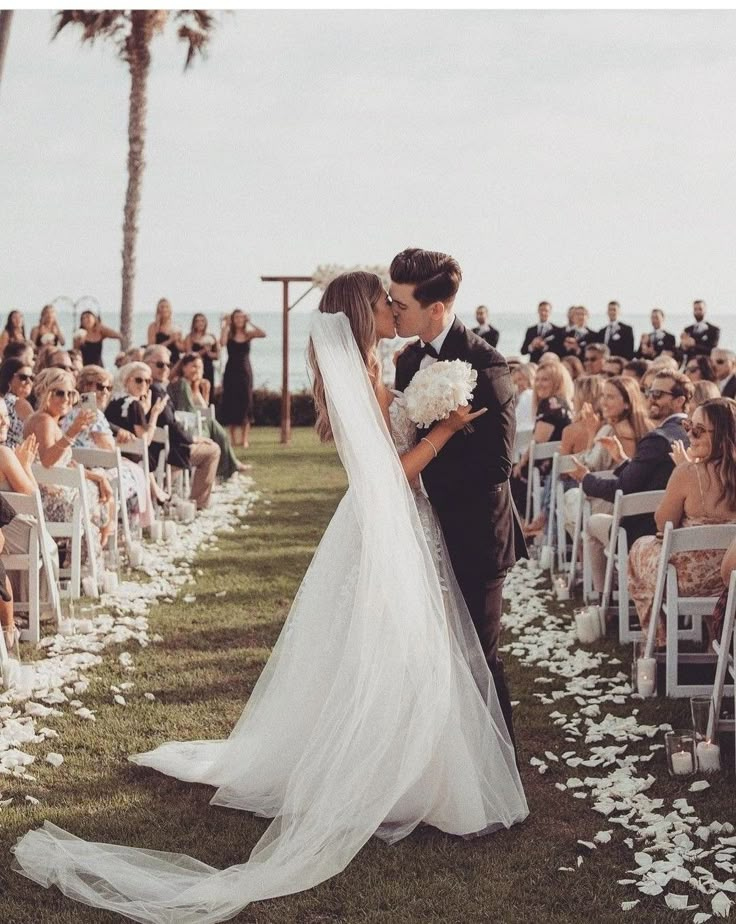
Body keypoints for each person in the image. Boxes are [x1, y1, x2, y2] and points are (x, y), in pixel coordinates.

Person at [14, 270, 528, 921]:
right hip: (385, 520)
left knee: (399, 651)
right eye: (384, 303)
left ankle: (410, 772)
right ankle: (388, 779)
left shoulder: (375, 366)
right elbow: (390, 474)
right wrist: (445, 431)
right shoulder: (364, 377)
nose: (394, 310)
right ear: (364, 314)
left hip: (396, 525)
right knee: (390, 650)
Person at [392, 249, 527, 742]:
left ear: (435, 309)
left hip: (476, 532)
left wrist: (419, 481)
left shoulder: (487, 365)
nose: (393, 308)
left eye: (400, 302)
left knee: (478, 654)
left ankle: (501, 773)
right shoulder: (407, 360)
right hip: (419, 529)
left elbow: (496, 465)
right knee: (429, 651)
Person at [573, 370, 692, 595]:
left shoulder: (658, 438)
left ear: (679, 401)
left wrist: (585, 479)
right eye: (649, 392)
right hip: (679, 530)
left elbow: (622, 489)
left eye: (658, 393)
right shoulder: (694, 434)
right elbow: (648, 476)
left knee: (591, 524)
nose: (651, 398)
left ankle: (602, 596)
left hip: (643, 530)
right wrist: (622, 459)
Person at [629, 398, 736, 645]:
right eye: (688, 426)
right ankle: (716, 640)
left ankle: (658, 639)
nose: (690, 435)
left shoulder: (687, 473)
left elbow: (662, 523)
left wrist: (685, 469)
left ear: (720, 435)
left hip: (687, 582)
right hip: (730, 580)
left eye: (698, 430)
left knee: (637, 550)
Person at [23, 368, 113, 568]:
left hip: (55, 496)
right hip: (46, 503)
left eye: (70, 393)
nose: (66, 399)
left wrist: (98, 478)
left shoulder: (51, 420)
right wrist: (72, 431)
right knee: (99, 504)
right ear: (45, 393)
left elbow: (66, 461)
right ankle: (83, 569)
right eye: (59, 393)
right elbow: (47, 461)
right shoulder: (43, 421)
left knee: (100, 493)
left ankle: (79, 567)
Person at [564, 376, 654, 566]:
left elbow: (586, 467)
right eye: (603, 396)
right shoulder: (649, 430)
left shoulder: (609, 431)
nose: (603, 402)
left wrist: (591, 433)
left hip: (609, 502)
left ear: (627, 403)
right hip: (640, 506)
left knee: (567, 499)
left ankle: (584, 565)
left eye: (610, 397)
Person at [64, 365, 153, 529]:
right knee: (137, 472)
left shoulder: (70, 412)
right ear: (85, 387)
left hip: (79, 468)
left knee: (135, 470)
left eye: (108, 387)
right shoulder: (93, 415)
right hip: (95, 469)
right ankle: (129, 525)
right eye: (100, 386)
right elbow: (109, 449)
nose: (105, 392)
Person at [145, 345, 221, 510]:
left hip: (161, 446)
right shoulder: (155, 390)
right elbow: (169, 424)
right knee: (213, 450)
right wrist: (194, 438)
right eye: (160, 364)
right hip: (165, 450)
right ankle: (198, 503)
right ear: (146, 364)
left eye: (168, 365)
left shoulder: (152, 387)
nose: (165, 368)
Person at [168, 353, 248, 479]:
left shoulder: (193, 386)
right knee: (218, 431)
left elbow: (204, 412)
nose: (197, 370)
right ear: (184, 367)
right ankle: (230, 466)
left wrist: (205, 392)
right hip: (189, 426)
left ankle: (230, 466)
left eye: (200, 367)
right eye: (194, 366)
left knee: (219, 431)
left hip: (200, 423)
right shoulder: (182, 384)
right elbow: (186, 411)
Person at [104, 361, 171, 506]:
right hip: (131, 457)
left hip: (111, 454)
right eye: (138, 380)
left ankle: (157, 491)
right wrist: (154, 414)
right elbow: (144, 441)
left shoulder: (113, 400)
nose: (144, 385)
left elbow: (127, 424)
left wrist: (144, 411)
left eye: (148, 381)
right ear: (126, 381)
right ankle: (156, 492)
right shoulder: (134, 404)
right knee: (148, 453)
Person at [219, 308, 266, 449]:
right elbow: (221, 343)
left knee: (246, 404)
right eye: (236, 317)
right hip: (231, 371)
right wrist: (225, 325)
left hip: (245, 371)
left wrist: (251, 321)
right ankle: (233, 440)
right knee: (231, 403)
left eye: (241, 317)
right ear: (233, 319)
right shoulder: (229, 333)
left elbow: (263, 334)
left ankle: (245, 439)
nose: (239, 320)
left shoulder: (248, 334)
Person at [0, 358, 35, 449]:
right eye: (23, 377)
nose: (29, 382)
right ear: (8, 377)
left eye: (32, 378)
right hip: (13, 454)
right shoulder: (20, 403)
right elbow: (37, 435)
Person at [182, 313, 219, 395]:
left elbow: (217, 356)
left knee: (208, 391)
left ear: (205, 323)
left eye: (202, 321)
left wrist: (209, 353)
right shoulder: (189, 337)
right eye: (197, 321)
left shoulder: (211, 336)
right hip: (194, 369)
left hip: (208, 367)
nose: (200, 323)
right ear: (194, 323)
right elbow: (188, 356)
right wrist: (203, 351)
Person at [679, 299, 720, 363]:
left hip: (706, 365)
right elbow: (682, 351)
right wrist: (683, 346)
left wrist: (694, 344)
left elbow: (713, 350)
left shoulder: (714, 329)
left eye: (700, 309)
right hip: (690, 364)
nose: (697, 311)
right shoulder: (687, 329)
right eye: (695, 309)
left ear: (705, 310)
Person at [147, 298, 182, 366]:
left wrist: (176, 341)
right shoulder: (153, 326)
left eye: (167, 307)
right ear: (158, 309)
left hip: (174, 359)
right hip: (160, 361)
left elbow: (182, 349)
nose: (164, 309)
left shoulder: (175, 326)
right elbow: (151, 349)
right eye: (162, 307)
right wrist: (170, 340)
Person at [510, 361, 535, 434]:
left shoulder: (528, 394)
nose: (518, 384)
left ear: (529, 378)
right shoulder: (516, 399)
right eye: (515, 382)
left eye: (520, 379)